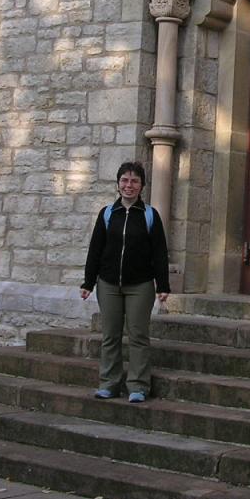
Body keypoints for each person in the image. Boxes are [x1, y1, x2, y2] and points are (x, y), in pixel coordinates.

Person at [80, 161, 170, 403]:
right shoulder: (108, 214)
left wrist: (163, 285)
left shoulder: (150, 215)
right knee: (110, 335)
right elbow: (95, 249)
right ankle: (109, 383)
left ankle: (138, 386)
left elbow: (160, 253)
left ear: (142, 186)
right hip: (108, 284)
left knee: (138, 335)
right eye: (125, 180)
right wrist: (88, 282)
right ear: (118, 184)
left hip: (140, 285)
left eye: (134, 181)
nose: (129, 185)